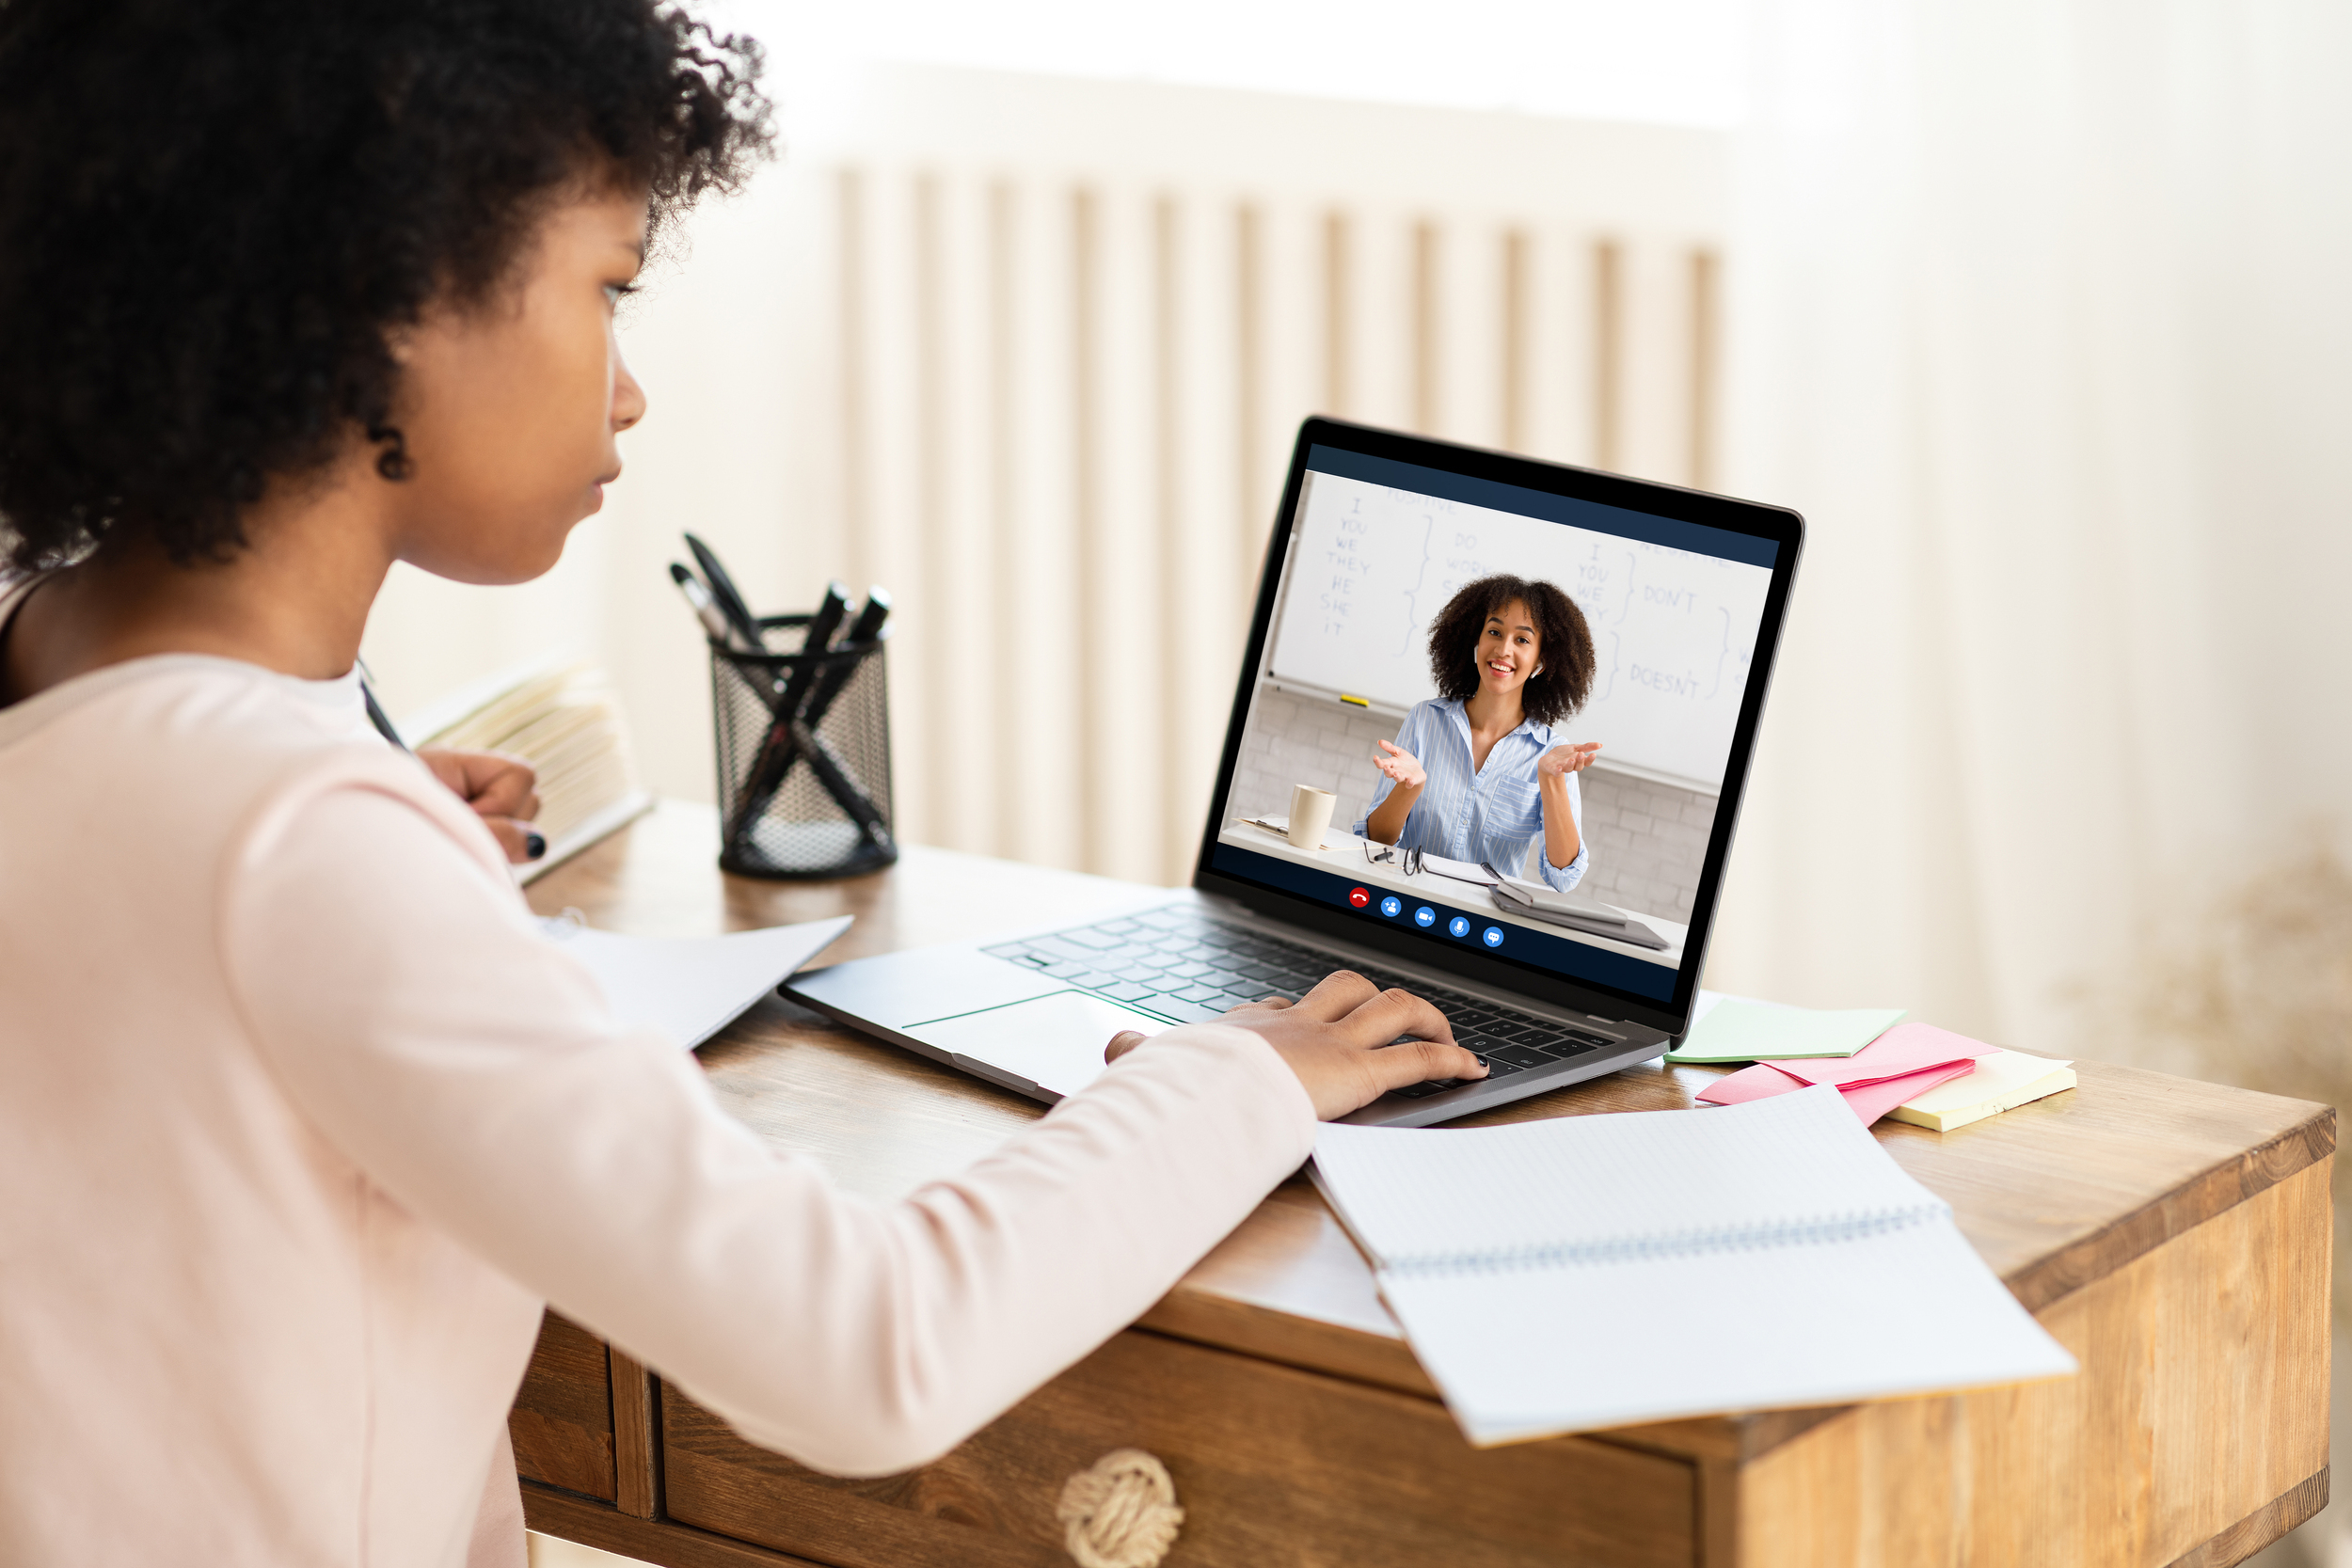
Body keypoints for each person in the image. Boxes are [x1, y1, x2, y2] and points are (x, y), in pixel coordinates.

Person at [0, 4, 1486, 1563]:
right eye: (610, 289)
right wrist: (1231, 1075)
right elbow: (867, 1352)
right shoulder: (299, 845)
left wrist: (341, 821)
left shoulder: (72, 687)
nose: (630, 389)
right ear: (385, 300)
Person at [1357, 574, 1603, 889]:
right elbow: (1376, 842)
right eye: (1495, 632)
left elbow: (1564, 878)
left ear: (1541, 661)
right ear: (1476, 640)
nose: (1503, 649)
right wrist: (1408, 789)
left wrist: (1551, 781)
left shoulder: (1552, 756)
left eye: (1522, 640)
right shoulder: (1425, 719)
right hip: (1403, 901)